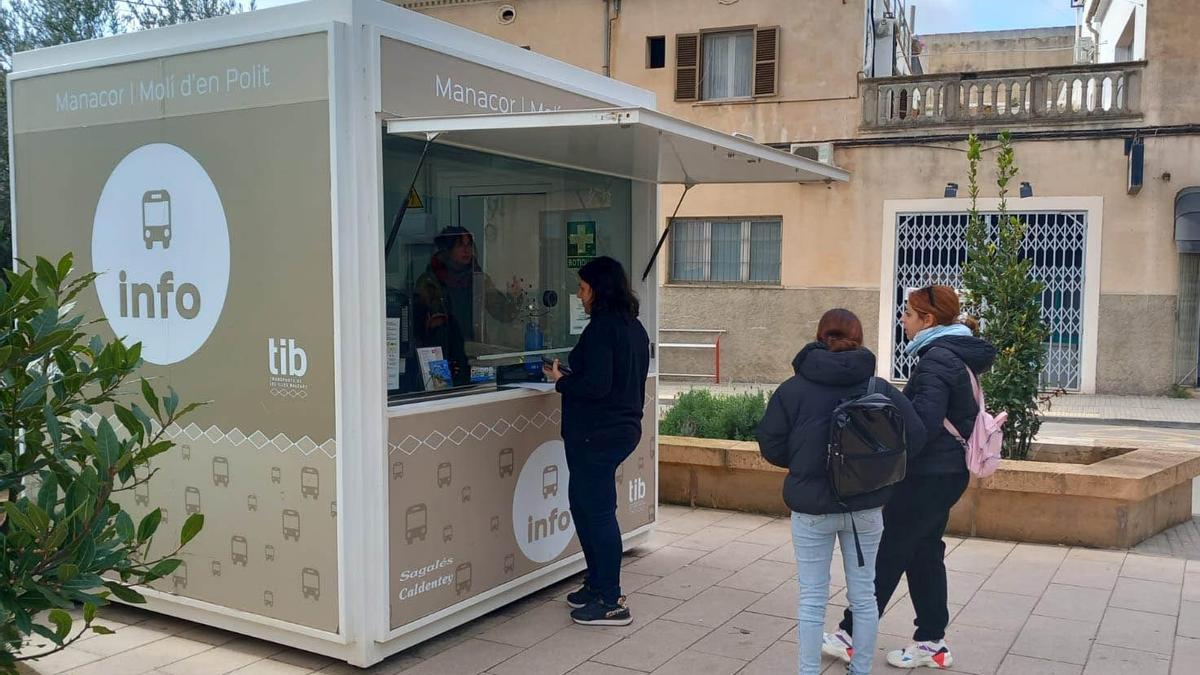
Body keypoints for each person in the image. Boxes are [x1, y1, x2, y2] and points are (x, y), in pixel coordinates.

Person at [829, 286, 995, 670]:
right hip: (945, 472)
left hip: (929, 474)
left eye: (908, 313)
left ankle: (851, 635)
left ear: (928, 320)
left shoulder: (937, 359)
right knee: (923, 554)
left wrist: (885, 395)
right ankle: (932, 643)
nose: (903, 319)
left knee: (891, 551)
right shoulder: (952, 354)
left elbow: (923, 425)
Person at [757, 309, 926, 675]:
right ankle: (860, 670)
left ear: (820, 337)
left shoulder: (793, 389)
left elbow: (770, 444)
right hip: (865, 506)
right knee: (864, 597)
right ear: (859, 339)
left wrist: (805, 462)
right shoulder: (878, 388)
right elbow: (916, 435)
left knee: (812, 599)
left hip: (811, 508)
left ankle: (807, 671)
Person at [543, 256, 649, 627]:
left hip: (597, 434)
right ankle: (597, 583)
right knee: (584, 506)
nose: (578, 294)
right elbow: (619, 380)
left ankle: (611, 599)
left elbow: (598, 385)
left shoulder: (603, 328)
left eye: (583, 287)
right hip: (619, 428)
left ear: (599, 290)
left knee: (597, 511)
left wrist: (562, 381)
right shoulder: (633, 328)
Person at [413, 226, 518, 386]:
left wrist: (514, 298)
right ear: (447, 249)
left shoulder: (479, 278)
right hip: (442, 355)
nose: (466, 250)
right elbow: (419, 327)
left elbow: (502, 313)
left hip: (474, 354)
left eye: (469, 245)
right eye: (460, 245)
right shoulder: (429, 281)